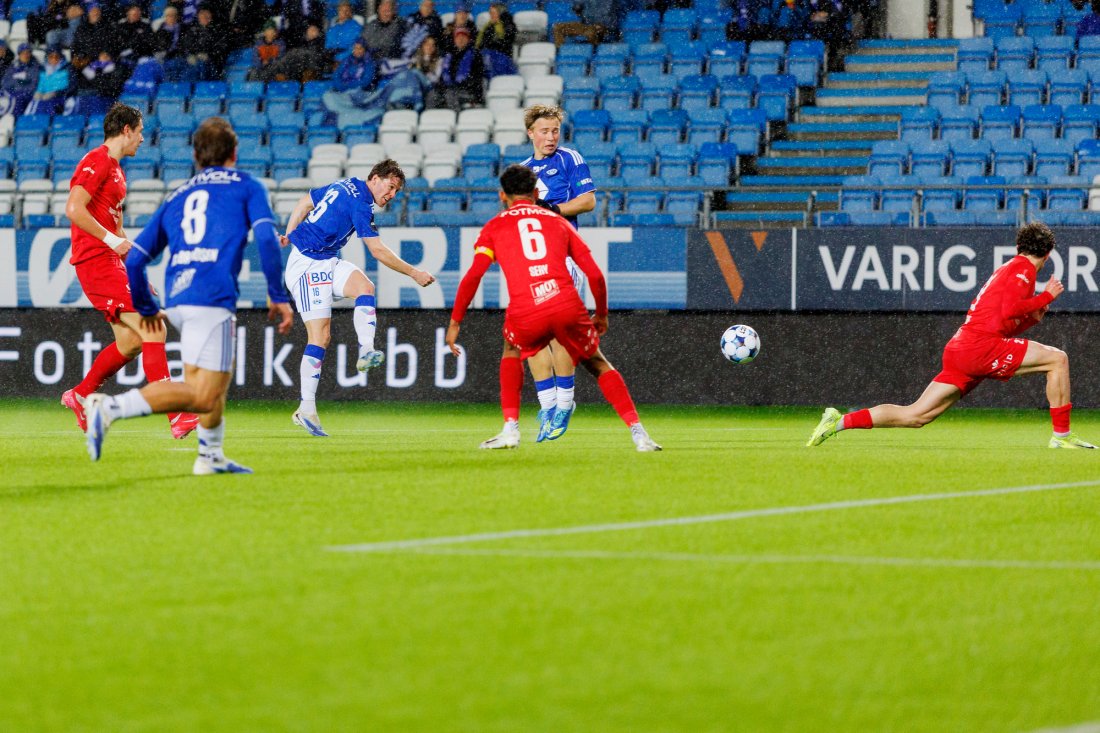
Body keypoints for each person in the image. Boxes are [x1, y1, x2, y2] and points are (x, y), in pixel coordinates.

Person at [84, 117, 294, 474]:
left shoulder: (177, 195)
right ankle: (109, 408)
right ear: (234, 153)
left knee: (215, 382)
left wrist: (148, 307)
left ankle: (210, 456)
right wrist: (277, 293)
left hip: (179, 296)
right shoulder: (247, 185)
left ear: (196, 156)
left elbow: (135, 259)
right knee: (202, 394)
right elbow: (266, 240)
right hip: (212, 296)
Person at [808, 222, 1096, 450]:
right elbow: (1010, 310)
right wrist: (1046, 295)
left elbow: (1003, 319)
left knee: (916, 415)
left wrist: (1032, 317)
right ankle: (1062, 436)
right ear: (1048, 254)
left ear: (1018, 246)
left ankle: (839, 421)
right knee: (1058, 360)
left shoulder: (1008, 268)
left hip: (963, 347)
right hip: (980, 347)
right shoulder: (1023, 269)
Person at [445, 165, 660, 453]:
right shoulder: (557, 221)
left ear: (502, 196)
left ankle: (510, 429)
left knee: (511, 348)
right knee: (597, 363)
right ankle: (639, 434)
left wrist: (456, 322)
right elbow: (595, 275)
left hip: (526, 310)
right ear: (536, 193)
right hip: (565, 304)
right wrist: (602, 315)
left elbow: (473, 276)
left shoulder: (494, 227)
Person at [61, 102, 200, 440]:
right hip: (95, 260)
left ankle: (80, 395)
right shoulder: (96, 161)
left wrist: (133, 266)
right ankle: (176, 414)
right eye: (139, 132)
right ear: (126, 130)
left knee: (133, 341)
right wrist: (111, 241)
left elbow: (116, 228)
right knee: (154, 329)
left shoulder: (118, 170)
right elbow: (73, 208)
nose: (142, 139)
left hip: (110, 262)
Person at [280, 160, 436, 437]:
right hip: (305, 265)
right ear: (375, 178)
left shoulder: (347, 183)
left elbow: (305, 201)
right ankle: (306, 408)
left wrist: (290, 232)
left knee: (365, 287)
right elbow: (377, 250)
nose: (391, 195)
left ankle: (366, 350)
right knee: (320, 337)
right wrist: (414, 273)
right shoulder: (361, 204)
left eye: (396, 191)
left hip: (327, 259)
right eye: (390, 187)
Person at [519, 104, 597, 441]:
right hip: (533, 261)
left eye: (555, 131)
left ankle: (565, 403)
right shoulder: (521, 171)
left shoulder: (570, 159)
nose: (551, 137)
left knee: (556, 333)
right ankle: (548, 405)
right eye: (544, 131)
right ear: (530, 134)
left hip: (564, 258)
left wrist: (552, 209)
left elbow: (589, 201)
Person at [432, 25, 483, 111]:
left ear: (468, 39)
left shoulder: (475, 55)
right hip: (450, 90)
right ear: (454, 39)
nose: (461, 39)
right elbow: (442, 78)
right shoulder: (449, 56)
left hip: (468, 92)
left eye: (463, 37)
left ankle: (455, 119)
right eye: (458, 37)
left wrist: (457, 86)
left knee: (450, 94)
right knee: (432, 95)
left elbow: (477, 78)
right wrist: (442, 87)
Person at [26, 45, 70, 116]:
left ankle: (49, 121)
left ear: (61, 57)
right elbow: (41, 84)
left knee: (49, 104)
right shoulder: (44, 70)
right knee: (35, 102)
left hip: (60, 97)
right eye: (51, 57)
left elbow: (66, 86)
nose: (54, 59)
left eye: (56, 57)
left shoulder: (66, 69)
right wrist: (39, 92)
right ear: (47, 57)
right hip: (44, 96)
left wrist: (55, 93)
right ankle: (30, 120)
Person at [0, 43, 40, 116]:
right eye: (23, 53)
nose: (25, 55)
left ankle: (13, 119)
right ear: (19, 54)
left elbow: (32, 85)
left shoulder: (35, 67)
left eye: (27, 53)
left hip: (25, 95)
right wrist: (20, 81)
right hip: (11, 93)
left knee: (17, 100)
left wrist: (16, 82)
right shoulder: (13, 66)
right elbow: (5, 83)